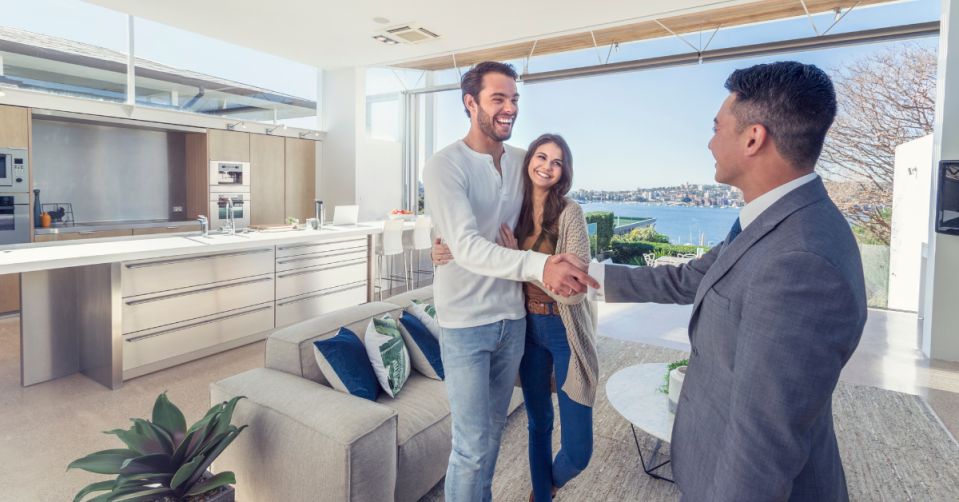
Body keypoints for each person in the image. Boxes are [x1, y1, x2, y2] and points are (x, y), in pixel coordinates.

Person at [583, 62, 867, 501]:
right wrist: (589, 276)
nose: (710, 141)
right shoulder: (772, 221)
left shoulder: (801, 263)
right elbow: (693, 278)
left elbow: (762, 445)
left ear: (753, 138)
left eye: (717, 127)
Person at [421, 62, 598, 502]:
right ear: (470, 103)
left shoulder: (523, 162)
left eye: (514, 99)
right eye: (498, 98)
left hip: (514, 320)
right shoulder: (444, 165)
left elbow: (549, 210)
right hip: (465, 324)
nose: (509, 108)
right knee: (470, 448)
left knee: (494, 438)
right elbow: (463, 243)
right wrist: (442, 245)